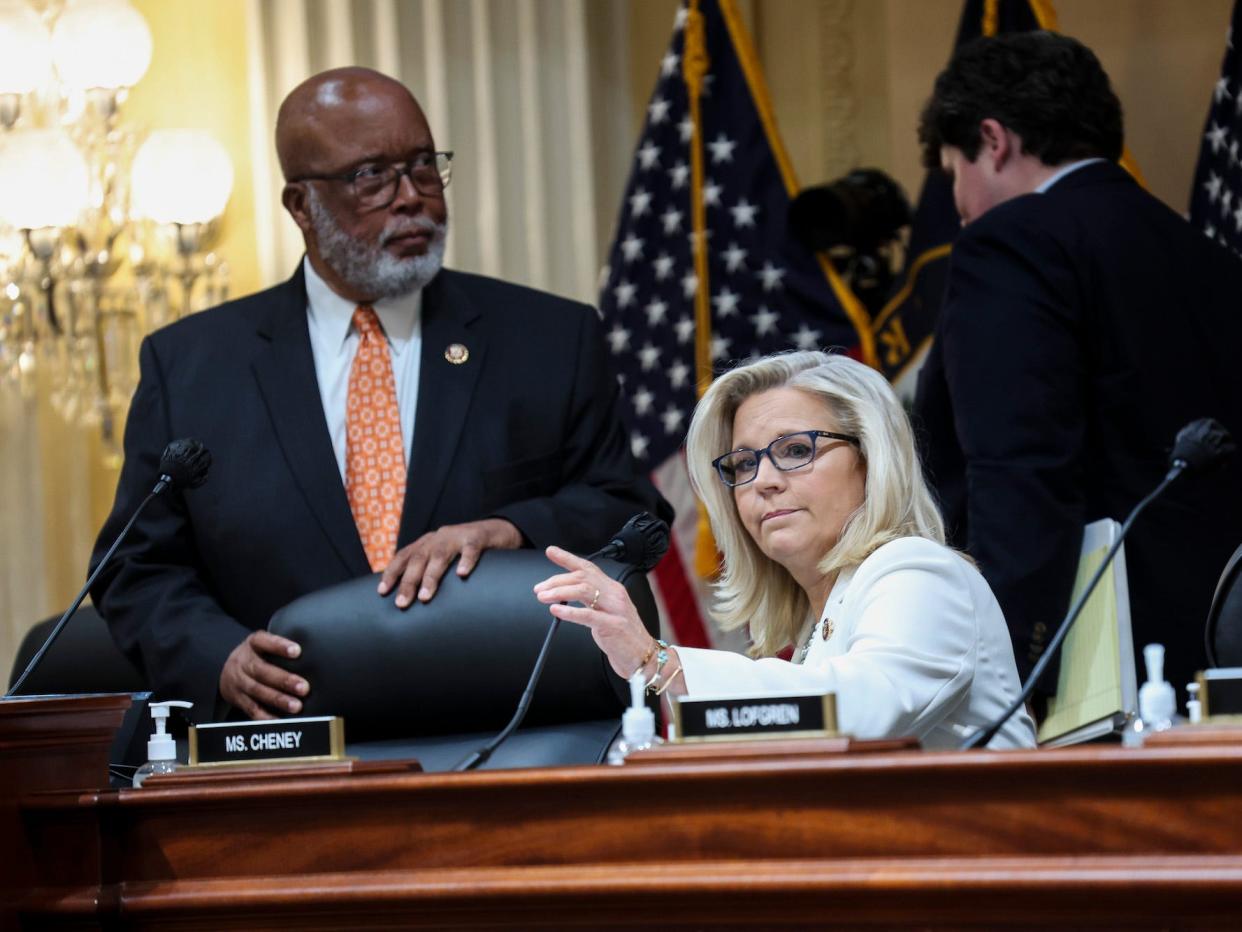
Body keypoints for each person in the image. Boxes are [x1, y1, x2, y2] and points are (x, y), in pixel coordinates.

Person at [89, 67, 670, 721]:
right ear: (300, 206)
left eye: (424, 166)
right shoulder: (193, 365)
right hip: (286, 745)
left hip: (506, 732)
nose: (411, 197)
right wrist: (217, 655)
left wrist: (512, 529)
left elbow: (630, 512)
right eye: (372, 177)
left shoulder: (550, 340)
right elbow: (134, 567)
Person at [912, 31, 1242, 703]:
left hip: (1092, 678)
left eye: (955, 173)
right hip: (1218, 657)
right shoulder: (1217, 263)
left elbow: (1019, 476)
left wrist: (1010, 678)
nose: (960, 203)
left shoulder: (1012, 243)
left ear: (994, 139)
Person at [534, 351, 1036, 749]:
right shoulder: (815, 625)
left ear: (870, 458)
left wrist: (658, 661)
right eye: (744, 463)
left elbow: (862, 711)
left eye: (796, 450)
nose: (763, 482)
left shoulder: (919, 573)